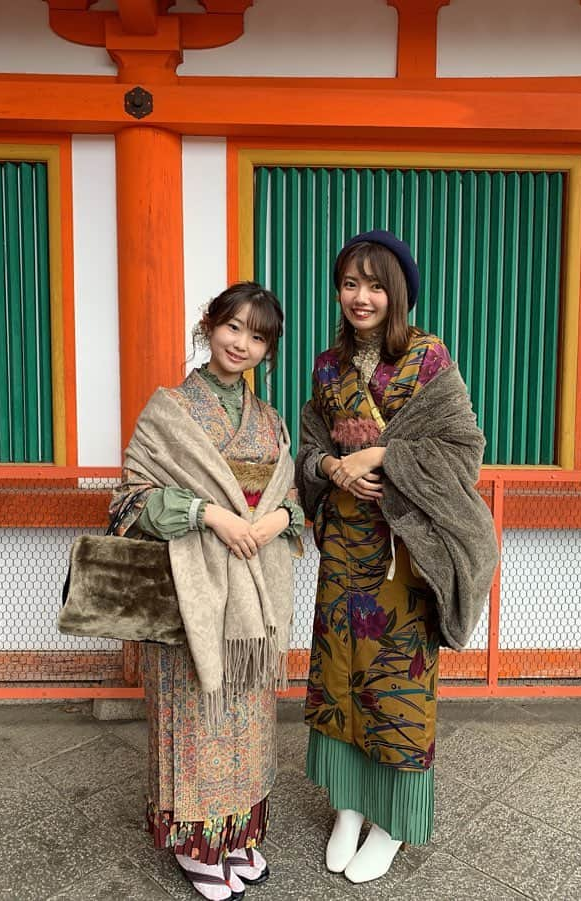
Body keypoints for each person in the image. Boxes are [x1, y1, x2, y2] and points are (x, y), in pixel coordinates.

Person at [295, 230, 499, 883]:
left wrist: (381, 455)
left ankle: (391, 822)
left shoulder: (425, 358)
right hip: (344, 552)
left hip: (404, 556)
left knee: (397, 686)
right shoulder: (326, 366)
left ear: (398, 292)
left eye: (375, 283)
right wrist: (331, 465)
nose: (361, 296)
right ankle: (349, 803)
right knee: (339, 678)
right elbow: (305, 447)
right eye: (350, 282)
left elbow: (464, 449)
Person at [108, 282, 305, 901]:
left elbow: (291, 499)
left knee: (246, 716)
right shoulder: (170, 409)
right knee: (194, 712)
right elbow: (128, 501)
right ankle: (196, 846)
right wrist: (211, 515)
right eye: (233, 327)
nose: (241, 343)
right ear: (209, 325)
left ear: (268, 351)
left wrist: (276, 520)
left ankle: (238, 834)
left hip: (252, 594)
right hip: (190, 589)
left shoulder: (269, 420)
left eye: (257, 336)